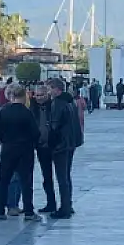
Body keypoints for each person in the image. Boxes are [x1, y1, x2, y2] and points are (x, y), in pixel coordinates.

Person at [0, 83, 39, 221]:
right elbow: (35, 132)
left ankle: (0, 210)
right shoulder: (26, 112)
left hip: (8, 148)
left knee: (3, 180)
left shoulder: (3, 111)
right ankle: (29, 212)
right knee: (26, 181)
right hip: (25, 149)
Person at [36, 79, 78, 219]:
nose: (48, 92)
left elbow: (54, 126)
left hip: (60, 145)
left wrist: (50, 141)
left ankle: (65, 208)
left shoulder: (58, 104)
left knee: (62, 177)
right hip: (69, 143)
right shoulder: (70, 102)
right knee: (65, 176)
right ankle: (67, 204)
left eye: (49, 89)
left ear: (56, 89)